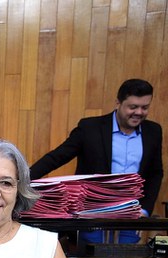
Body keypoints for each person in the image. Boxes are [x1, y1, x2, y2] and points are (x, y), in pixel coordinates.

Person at [30, 78, 164, 243]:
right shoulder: (90, 128)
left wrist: (145, 210)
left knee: (126, 256)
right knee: (93, 255)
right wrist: (23, 179)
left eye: (145, 107)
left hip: (131, 214)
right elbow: (57, 157)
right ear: (118, 103)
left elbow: (155, 173)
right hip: (92, 213)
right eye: (133, 107)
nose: (139, 112)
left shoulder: (153, 131)